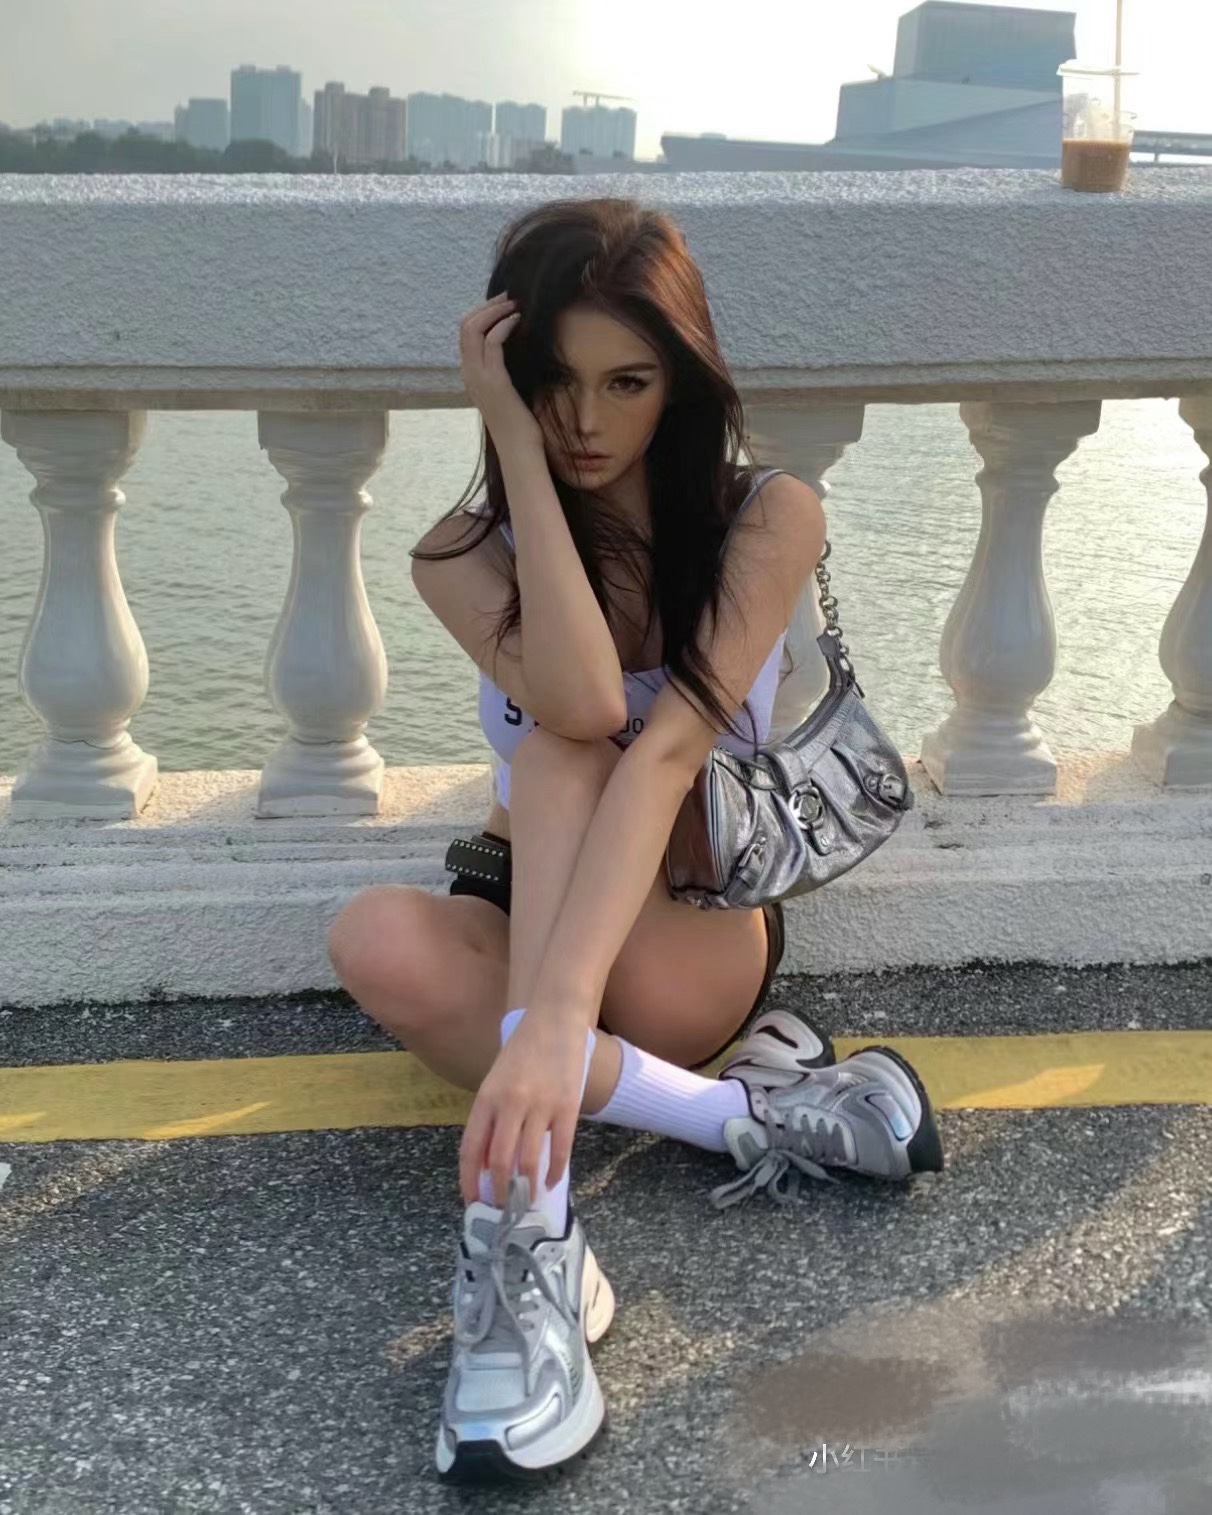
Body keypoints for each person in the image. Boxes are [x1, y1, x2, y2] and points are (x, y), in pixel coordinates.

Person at [326, 195, 944, 1485]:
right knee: (373, 938)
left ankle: (530, 1238)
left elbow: (639, 743)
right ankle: (735, 1119)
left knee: (569, 756)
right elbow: (578, 686)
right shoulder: (460, 554)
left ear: (683, 380)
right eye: (552, 383)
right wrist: (513, 449)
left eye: (628, 382)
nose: (587, 422)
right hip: (526, 896)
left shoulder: (768, 517)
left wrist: (557, 1016)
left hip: (683, 920)